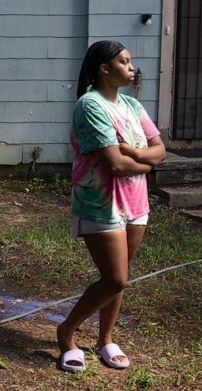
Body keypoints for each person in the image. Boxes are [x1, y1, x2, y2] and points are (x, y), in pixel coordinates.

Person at [57, 40, 165, 372]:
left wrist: (136, 155)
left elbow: (159, 149)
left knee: (120, 276)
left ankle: (106, 339)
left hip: (136, 203)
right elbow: (114, 164)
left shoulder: (132, 107)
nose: (132, 67)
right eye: (124, 61)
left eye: (130, 61)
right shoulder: (90, 106)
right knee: (115, 279)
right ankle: (66, 332)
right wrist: (144, 162)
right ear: (105, 69)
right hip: (101, 204)